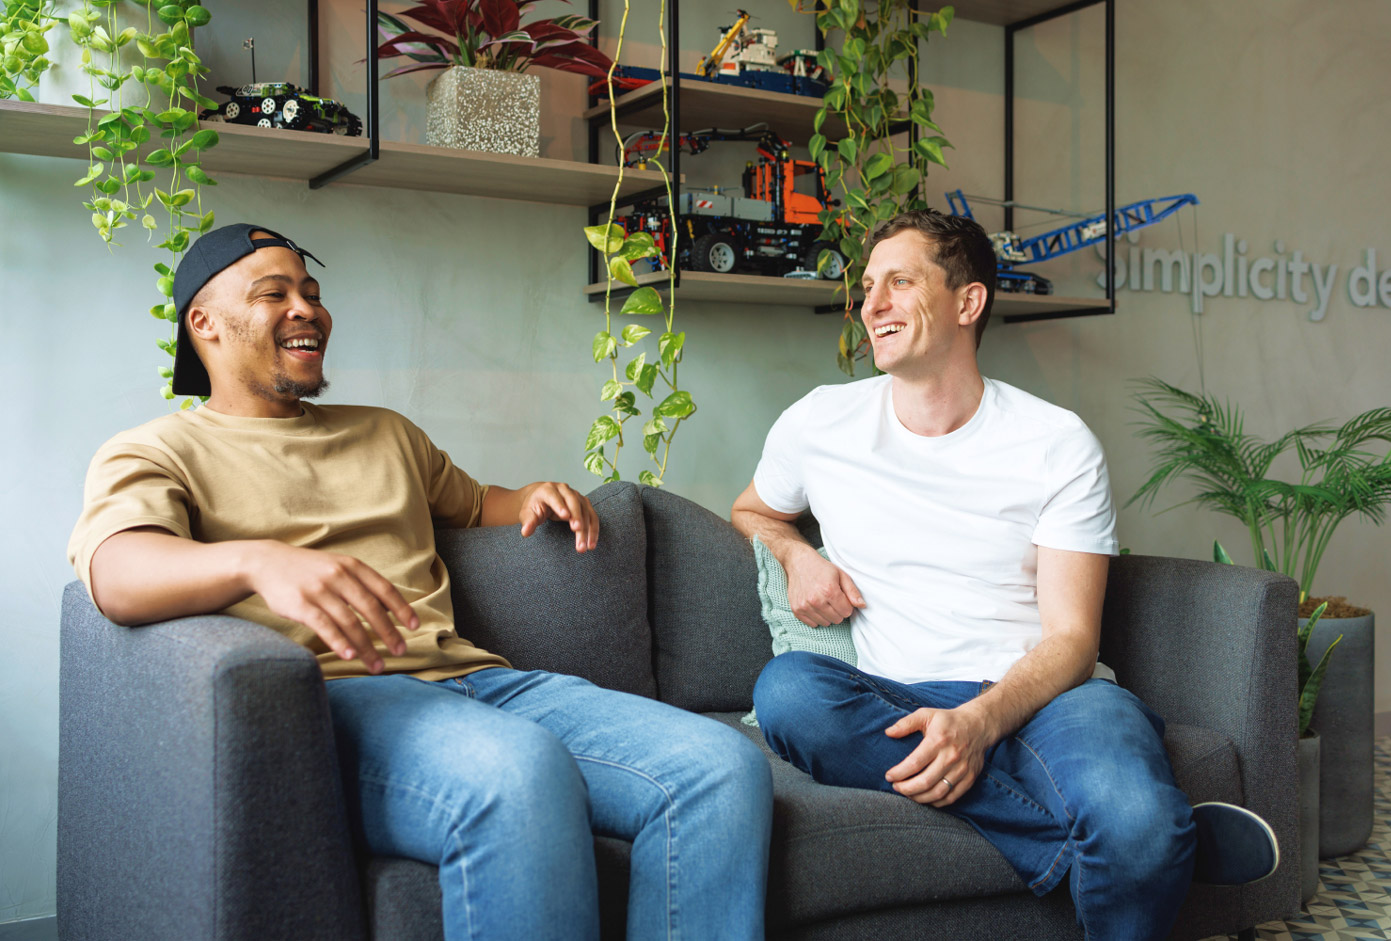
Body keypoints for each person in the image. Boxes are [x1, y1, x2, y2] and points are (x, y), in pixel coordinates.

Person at [68, 223, 772, 941]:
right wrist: (258, 559)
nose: (306, 308)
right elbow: (117, 571)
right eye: (273, 293)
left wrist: (530, 495)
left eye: (310, 292)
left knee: (718, 769)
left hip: (486, 685)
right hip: (339, 701)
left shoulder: (385, 433)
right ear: (204, 323)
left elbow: (474, 503)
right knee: (518, 775)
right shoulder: (157, 449)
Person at [729, 210, 1278, 941]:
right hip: (898, 693)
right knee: (789, 691)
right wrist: (799, 554)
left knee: (1135, 815)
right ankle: (1146, 853)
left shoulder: (1055, 443)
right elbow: (751, 510)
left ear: (968, 301)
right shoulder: (818, 424)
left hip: (1052, 695)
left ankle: (1145, 841)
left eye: (900, 281)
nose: (873, 304)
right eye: (867, 286)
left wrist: (980, 723)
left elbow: (1074, 639)